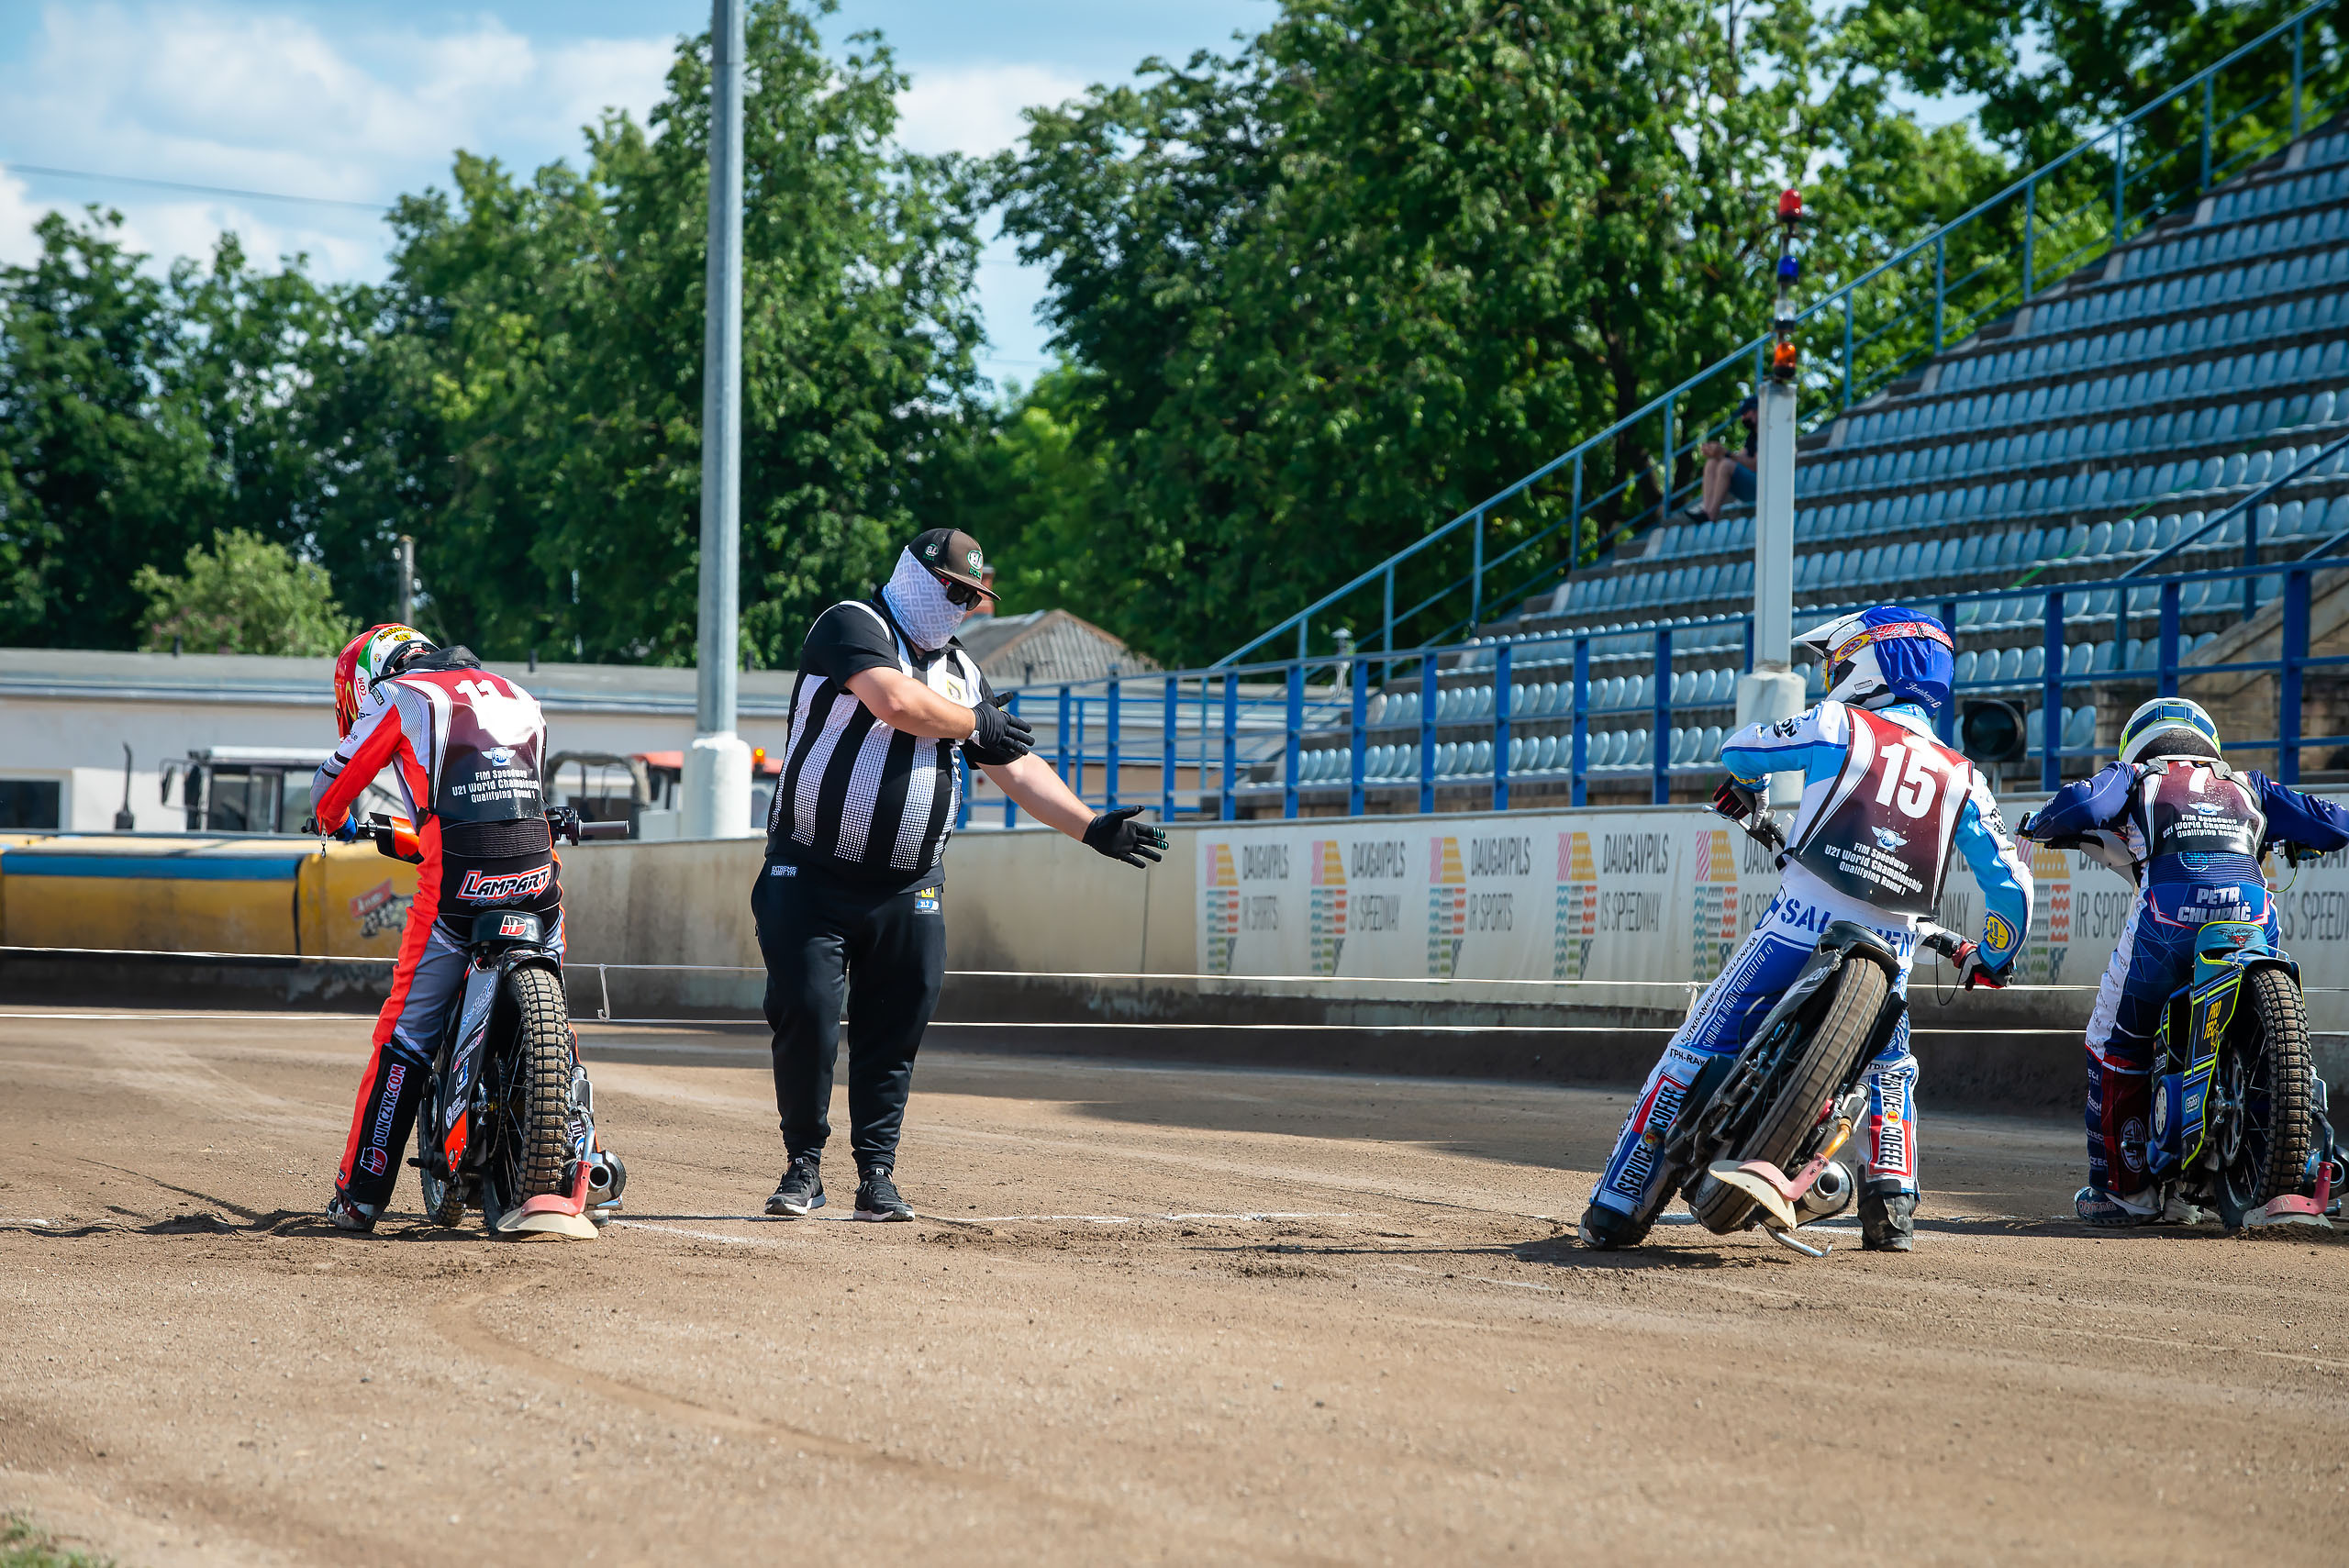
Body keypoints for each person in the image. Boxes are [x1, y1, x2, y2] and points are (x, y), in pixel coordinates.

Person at [1578, 606, 2033, 1252]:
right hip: (1894, 951)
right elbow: (2012, 887)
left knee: (1694, 1046)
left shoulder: (1838, 722)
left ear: (1866, 663)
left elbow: (1739, 749)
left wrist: (1748, 787)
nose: (1831, 672)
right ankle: (1893, 1205)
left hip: (1797, 926)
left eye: (1837, 660)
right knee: (1893, 1065)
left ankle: (1618, 1202)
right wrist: (1991, 952)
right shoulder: (1965, 776)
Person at [756, 528, 1167, 1223]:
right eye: (956, 590)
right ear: (916, 576)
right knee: (810, 1015)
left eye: (976, 598)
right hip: (810, 873)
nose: (966, 608)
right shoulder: (851, 623)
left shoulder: (962, 675)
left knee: (895, 1031)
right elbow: (893, 701)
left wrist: (1092, 826)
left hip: (908, 884)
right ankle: (803, 1166)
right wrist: (975, 722)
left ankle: (876, 1175)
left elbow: (1016, 766)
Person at [2018, 698, 2349, 1225]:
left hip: (2169, 921)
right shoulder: (2249, 785)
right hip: (2252, 917)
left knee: (2114, 1042)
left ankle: (2127, 1193)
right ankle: (2292, 1155)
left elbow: (2083, 806)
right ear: (2210, 746)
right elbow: (2329, 822)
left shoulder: (2136, 776)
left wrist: (2038, 823)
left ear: (2138, 743)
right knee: (2279, 1038)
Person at [313, 624, 575, 1232]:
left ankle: (361, 1194)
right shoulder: (518, 693)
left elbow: (330, 790)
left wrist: (328, 816)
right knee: (556, 1006)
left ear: (367, 681)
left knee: (403, 1033)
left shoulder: (402, 695)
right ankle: (571, 1151)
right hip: (538, 874)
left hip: (459, 883)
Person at [1686, 396, 1758, 524]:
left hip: (1764, 488)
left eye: (1745, 413)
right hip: (1752, 485)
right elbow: (1741, 459)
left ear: (1756, 410)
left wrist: (1726, 454)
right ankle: (1706, 511)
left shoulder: (1768, 434)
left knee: (1725, 465)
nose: (1743, 418)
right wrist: (1718, 453)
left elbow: (1755, 466)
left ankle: (1712, 514)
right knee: (1712, 462)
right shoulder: (1752, 436)